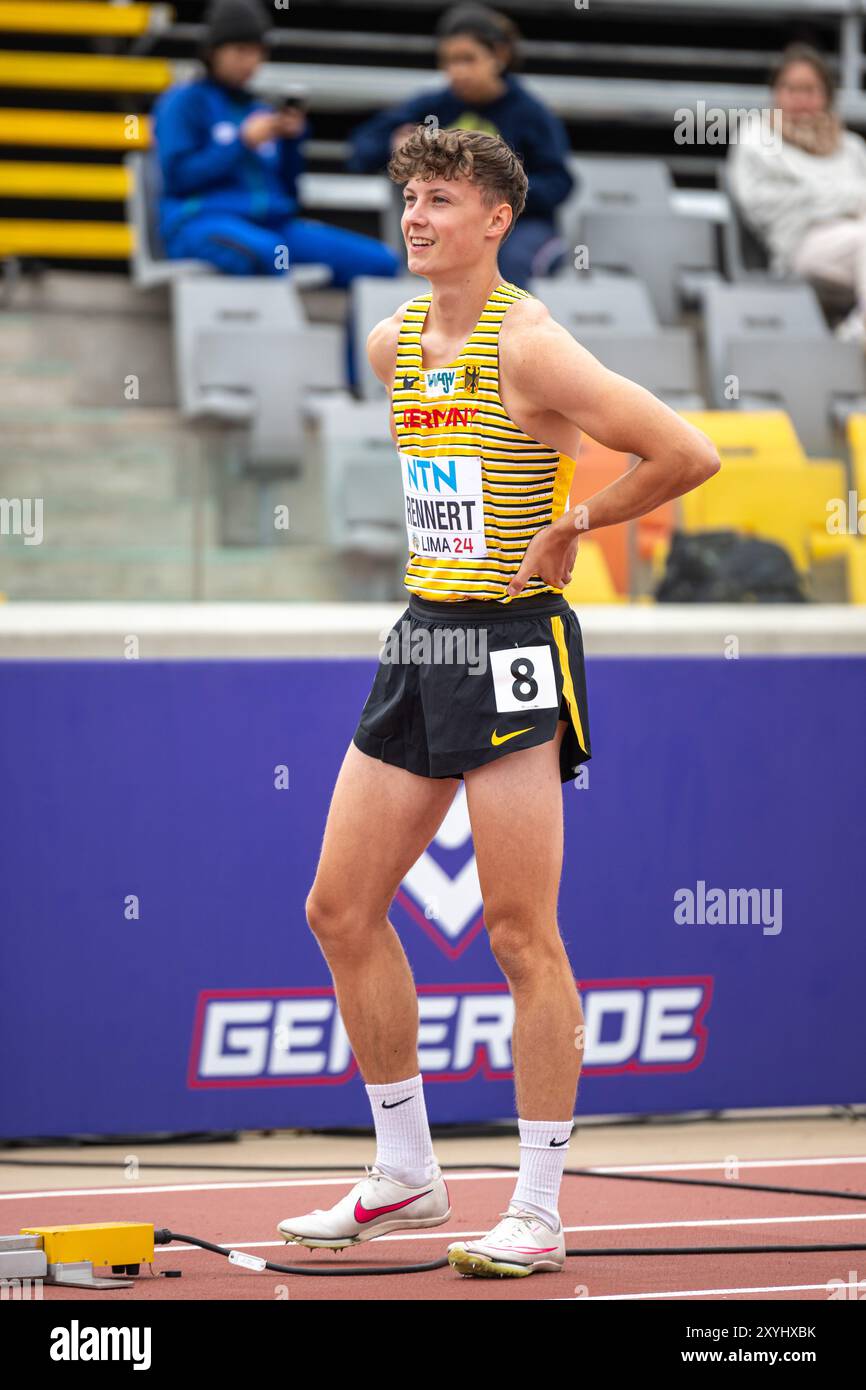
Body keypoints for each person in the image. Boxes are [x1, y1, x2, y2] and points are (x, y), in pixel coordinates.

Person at [276, 127, 720, 1277]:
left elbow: (683, 451)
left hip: (512, 647)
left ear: (493, 220)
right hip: (423, 636)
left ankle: (534, 1201)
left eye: (436, 200)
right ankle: (406, 1170)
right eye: (406, 199)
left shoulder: (533, 348)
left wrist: (579, 519)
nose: (414, 217)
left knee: (520, 934)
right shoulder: (392, 341)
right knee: (338, 908)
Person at [152, 0, 399, 289]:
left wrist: (292, 142)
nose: (250, 62)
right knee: (266, 253)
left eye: (258, 52)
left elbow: (289, 194)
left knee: (380, 263)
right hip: (199, 223)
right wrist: (241, 142)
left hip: (273, 226)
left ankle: (361, 337)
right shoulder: (182, 102)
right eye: (240, 51)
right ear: (212, 51)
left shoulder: (260, 110)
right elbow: (178, 178)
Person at [347, 3, 573, 287]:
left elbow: (559, 182)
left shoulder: (529, 113)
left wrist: (496, 195)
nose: (458, 71)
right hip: (450, 222)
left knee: (498, 262)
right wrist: (395, 144)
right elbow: (361, 150)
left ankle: (503, 330)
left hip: (518, 227)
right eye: (450, 61)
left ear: (499, 56)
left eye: (468, 59)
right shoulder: (434, 106)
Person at [728, 42, 866, 341]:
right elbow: (759, 204)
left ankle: (857, 329)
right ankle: (858, 336)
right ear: (776, 93)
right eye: (791, 89)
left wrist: (831, 199)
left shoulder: (851, 146)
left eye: (809, 90)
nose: (800, 99)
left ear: (826, 96)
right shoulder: (756, 138)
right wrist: (845, 201)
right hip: (801, 244)